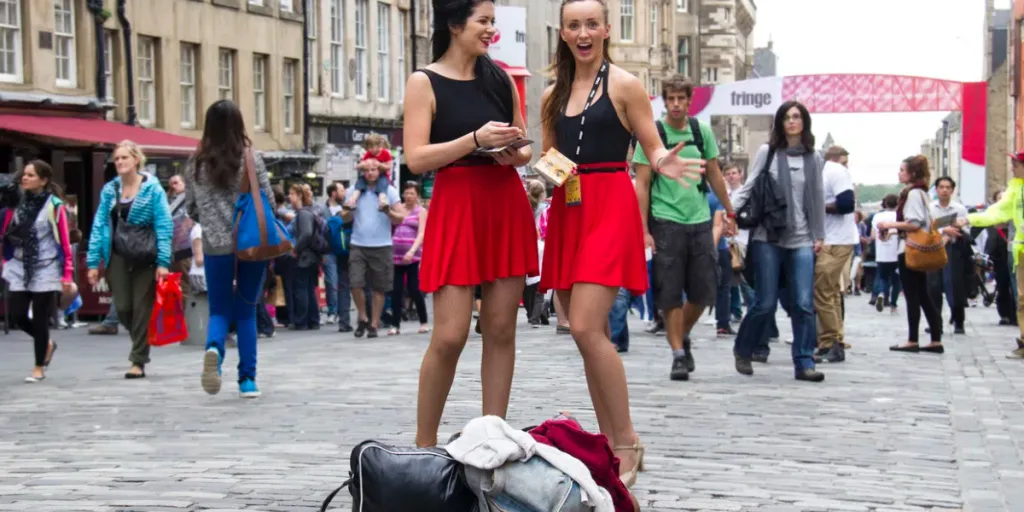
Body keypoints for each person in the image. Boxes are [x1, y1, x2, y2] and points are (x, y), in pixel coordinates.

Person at [539, 0, 709, 488]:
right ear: (565, 33)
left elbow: (651, 144)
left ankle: (626, 440)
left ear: (607, 30)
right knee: (581, 334)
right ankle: (611, 438)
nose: (584, 31)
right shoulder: (552, 93)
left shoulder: (626, 85)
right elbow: (552, 156)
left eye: (592, 23)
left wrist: (662, 162)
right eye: (574, 25)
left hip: (610, 205)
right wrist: (529, 166)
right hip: (569, 208)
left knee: (590, 328)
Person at [403, 0, 538, 449]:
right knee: (449, 334)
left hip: (502, 200)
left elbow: (525, 149)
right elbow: (416, 158)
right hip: (456, 204)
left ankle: (492, 438)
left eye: (493, 22)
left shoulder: (500, 79)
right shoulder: (424, 80)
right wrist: (474, 140)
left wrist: (511, 152)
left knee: (501, 330)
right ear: (455, 23)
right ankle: (424, 446)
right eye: (483, 21)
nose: (491, 30)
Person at [730, 101, 826, 383]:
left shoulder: (814, 157)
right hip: (768, 236)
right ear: (780, 123)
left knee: (804, 302)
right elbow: (749, 186)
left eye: (797, 117)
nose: (792, 122)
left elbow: (818, 196)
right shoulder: (768, 152)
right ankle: (744, 349)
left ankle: (804, 361)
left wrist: (819, 235)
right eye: (787, 117)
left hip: (802, 238)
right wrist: (730, 213)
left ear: (804, 122)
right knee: (765, 302)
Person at [185, 99, 275, 398]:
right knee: (247, 310)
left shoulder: (196, 163)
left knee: (220, 309)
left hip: (214, 246)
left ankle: (214, 350)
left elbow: (192, 208)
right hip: (250, 244)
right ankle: (247, 380)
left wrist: (213, 222)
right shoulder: (251, 158)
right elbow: (269, 204)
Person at [87, 140, 173, 379]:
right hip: (117, 255)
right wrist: (93, 262)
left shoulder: (153, 189)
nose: (120, 162)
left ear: (136, 160)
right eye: (116, 159)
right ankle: (141, 338)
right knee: (124, 308)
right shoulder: (109, 190)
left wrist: (164, 262)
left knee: (142, 309)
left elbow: (164, 225)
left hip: (146, 256)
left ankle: (138, 360)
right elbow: (99, 225)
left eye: (124, 158)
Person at [1, 160, 72, 382]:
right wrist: (4, 259)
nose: (25, 178)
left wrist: (67, 273)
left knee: (41, 319)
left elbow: (64, 240)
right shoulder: (15, 204)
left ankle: (39, 366)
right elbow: (6, 233)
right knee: (18, 315)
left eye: (31, 175)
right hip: (20, 265)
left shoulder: (54, 205)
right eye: (24, 174)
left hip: (46, 265)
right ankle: (48, 344)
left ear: (43, 180)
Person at [878, 155, 944, 353]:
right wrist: (892, 231)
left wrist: (889, 224)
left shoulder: (913, 194)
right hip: (913, 245)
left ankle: (912, 339)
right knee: (923, 294)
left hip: (910, 249)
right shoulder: (922, 193)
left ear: (912, 173)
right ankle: (935, 339)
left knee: (913, 295)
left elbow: (914, 223)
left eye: (902, 170)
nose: (899, 173)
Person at [345, 134, 394, 211]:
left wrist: (379, 165)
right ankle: (352, 200)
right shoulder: (368, 154)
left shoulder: (385, 153)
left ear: (378, 146)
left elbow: (389, 167)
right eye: (368, 148)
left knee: (382, 186)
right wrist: (359, 166)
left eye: (371, 147)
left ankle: (382, 202)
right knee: (359, 183)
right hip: (367, 177)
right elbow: (362, 163)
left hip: (382, 175)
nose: (369, 150)